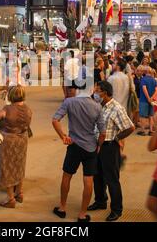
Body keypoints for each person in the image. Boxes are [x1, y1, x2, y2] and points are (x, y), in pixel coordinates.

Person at [52, 84, 106, 222]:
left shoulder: (69, 102)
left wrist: (63, 136)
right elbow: (102, 132)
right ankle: (82, 214)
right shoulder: (97, 106)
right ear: (91, 90)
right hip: (90, 147)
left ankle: (62, 208)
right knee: (88, 180)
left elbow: (55, 120)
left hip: (74, 145)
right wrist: (99, 146)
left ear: (78, 90)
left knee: (67, 175)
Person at [87, 81, 134, 222]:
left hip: (109, 147)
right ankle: (100, 201)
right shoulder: (98, 106)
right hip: (97, 145)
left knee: (112, 179)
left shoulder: (116, 108)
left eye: (97, 91)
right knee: (98, 176)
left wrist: (117, 138)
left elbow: (130, 127)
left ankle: (116, 209)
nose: (94, 93)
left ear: (105, 93)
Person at [0, 85, 33, 208]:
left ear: (11, 96)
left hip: (9, 140)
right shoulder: (28, 109)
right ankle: (19, 193)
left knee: (7, 167)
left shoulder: (7, 109)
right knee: (20, 164)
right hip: (22, 139)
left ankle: (10, 199)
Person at [138, 66, 157, 136]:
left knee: (142, 116)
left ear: (145, 72)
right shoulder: (153, 80)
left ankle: (143, 131)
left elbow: (144, 88)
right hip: (151, 101)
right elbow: (156, 90)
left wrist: (148, 98)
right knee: (151, 115)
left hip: (144, 100)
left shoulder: (143, 80)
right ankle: (151, 130)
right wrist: (152, 98)